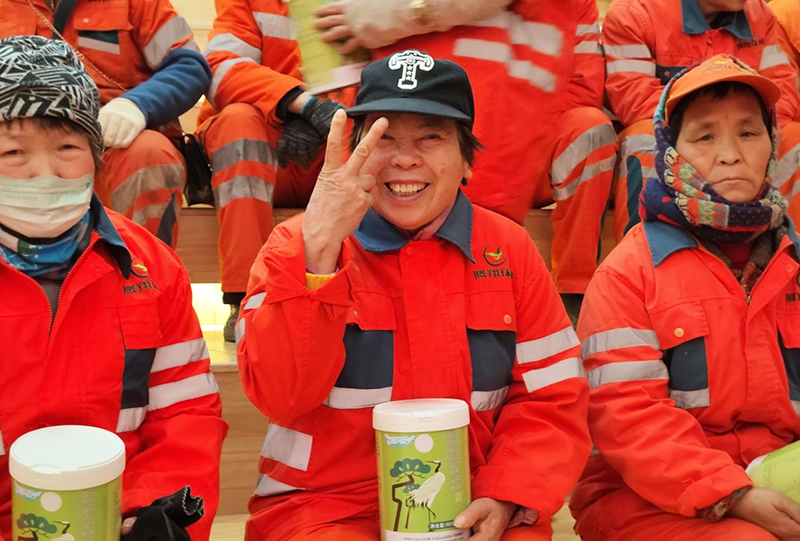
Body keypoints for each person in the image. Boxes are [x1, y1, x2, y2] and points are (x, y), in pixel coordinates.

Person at [236, 50, 595, 541]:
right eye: (384, 137)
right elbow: (280, 394)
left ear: (467, 159)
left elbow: (551, 400)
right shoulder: (296, 245)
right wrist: (320, 251)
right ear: (355, 153)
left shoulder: (511, 251)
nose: (405, 159)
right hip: (324, 515)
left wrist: (505, 498)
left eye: (431, 137)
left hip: (470, 510)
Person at [0, 36, 227, 541]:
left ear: (97, 155)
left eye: (68, 147)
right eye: (12, 153)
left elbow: (187, 413)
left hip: (117, 534)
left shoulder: (155, 268)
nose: (44, 174)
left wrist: (154, 523)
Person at [571, 54, 800, 541]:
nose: (730, 153)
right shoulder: (628, 273)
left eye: (748, 132)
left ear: (772, 145)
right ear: (670, 155)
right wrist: (734, 495)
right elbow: (629, 420)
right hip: (642, 505)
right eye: (704, 137)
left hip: (781, 489)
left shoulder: (794, 259)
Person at [314, 0, 618, 313]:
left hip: (517, 158)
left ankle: (575, 292)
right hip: (440, 151)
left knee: (589, 128)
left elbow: (582, 88)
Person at [197, 0, 352, 342]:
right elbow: (220, 67)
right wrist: (298, 104)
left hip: (336, 142)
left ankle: (363, 294)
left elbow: (383, 75)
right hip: (267, 145)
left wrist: (329, 115)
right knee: (237, 122)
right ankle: (246, 297)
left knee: (379, 126)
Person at [0, 0, 211, 248]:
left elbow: (189, 66)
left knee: (151, 151)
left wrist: (138, 105)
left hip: (117, 146)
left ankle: (143, 265)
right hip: (13, 148)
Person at [603, 0, 800, 242]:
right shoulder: (633, 13)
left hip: (740, 134)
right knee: (645, 139)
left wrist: (743, 127)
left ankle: (788, 250)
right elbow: (632, 97)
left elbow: (784, 91)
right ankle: (646, 251)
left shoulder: (761, 15)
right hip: (678, 138)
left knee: (792, 138)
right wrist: (708, 126)